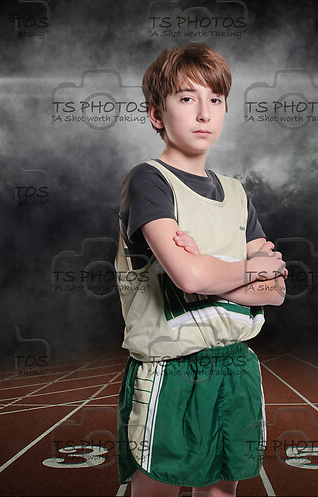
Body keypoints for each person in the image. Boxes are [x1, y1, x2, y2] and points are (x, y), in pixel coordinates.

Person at [115, 43, 287, 497]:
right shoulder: (149, 180)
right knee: (158, 486)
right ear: (157, 113)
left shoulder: (236, 192)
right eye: (187, 98)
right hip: (172, 368)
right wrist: (249, 268)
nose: (204, 112)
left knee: (221, 491)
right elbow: (189, 278)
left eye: (215, 99)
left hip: (236, 364)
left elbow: (276, 290)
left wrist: (210, 269)